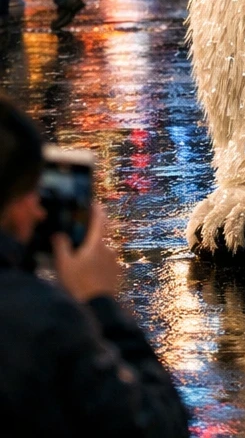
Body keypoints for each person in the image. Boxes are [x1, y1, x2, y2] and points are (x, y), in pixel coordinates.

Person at [0, 98, 190, 435]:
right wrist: (100, 301)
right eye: (31, 190)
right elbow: (156, 425)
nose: (40, 211)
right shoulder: (44, 319)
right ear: (15, 204)